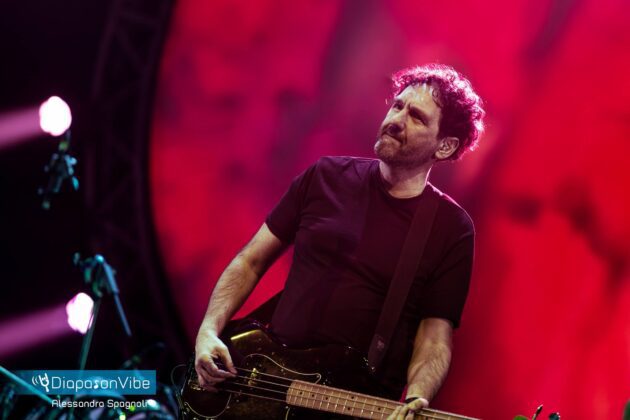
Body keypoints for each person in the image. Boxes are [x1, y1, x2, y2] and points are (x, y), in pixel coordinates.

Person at [194, 63, 485, 420]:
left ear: (445, 146)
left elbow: (434, 337)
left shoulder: (451, 228)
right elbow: (250, 261)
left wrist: (417, 396)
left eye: (416, 117)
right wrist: (209, 330)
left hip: (349, 404)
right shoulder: (325, 176)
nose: (397, 120)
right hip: (264, 381)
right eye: (397, 106)